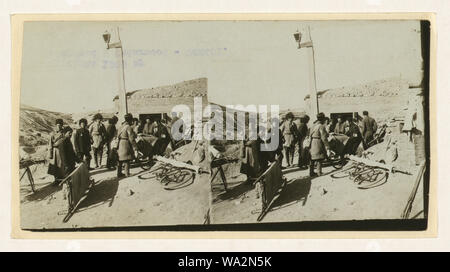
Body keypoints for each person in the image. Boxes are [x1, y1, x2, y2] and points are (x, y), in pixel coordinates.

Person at [309, 112, 332, 177]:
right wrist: (327, 146)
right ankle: (319, 172)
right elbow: (324, 137)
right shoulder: (321, 126)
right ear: (323, 119)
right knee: (319, 158)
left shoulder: (313, 125)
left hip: (312, 141)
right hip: (318, 142)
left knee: (312, 158)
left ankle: (311, 172)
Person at [117, 113, 138, 178]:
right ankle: (127, 173)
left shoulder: (121, 126)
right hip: (125, 143)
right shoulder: (128, 127)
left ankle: (119, 173)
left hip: (120, 142)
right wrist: (135, 147)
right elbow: (131, 138)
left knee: (120, 159)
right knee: (127, 159)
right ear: (130, 120)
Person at [48, 119, 65, 184]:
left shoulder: (63, 133)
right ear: (55, 126)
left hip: (62, 151)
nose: (59, 127)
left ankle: (62, 179)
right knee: (55, 166)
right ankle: (56, 179)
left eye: (60, 125)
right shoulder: (52, 134)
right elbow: (50, 144)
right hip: (55, 151)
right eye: (58, 125)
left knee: (61, 165)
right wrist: (50, 153)